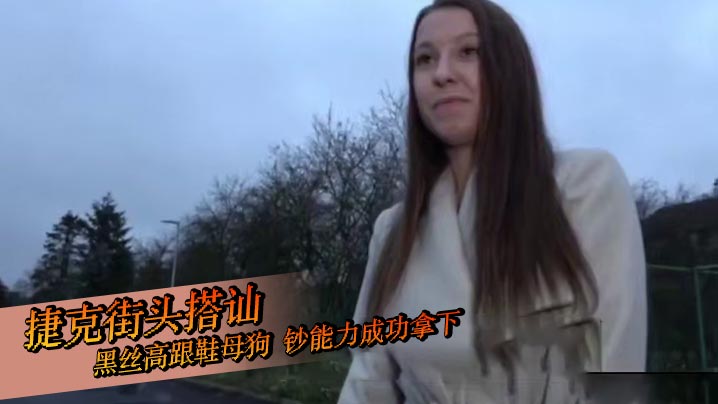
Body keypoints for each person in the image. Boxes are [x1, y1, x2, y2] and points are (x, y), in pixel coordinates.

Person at [337, 0, 647, 403]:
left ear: (509, 69)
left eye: (468, 52)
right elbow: (368, 381)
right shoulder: (394, 231)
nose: (442, 73)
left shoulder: (586, 186)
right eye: (425, 59)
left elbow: (615, 374)